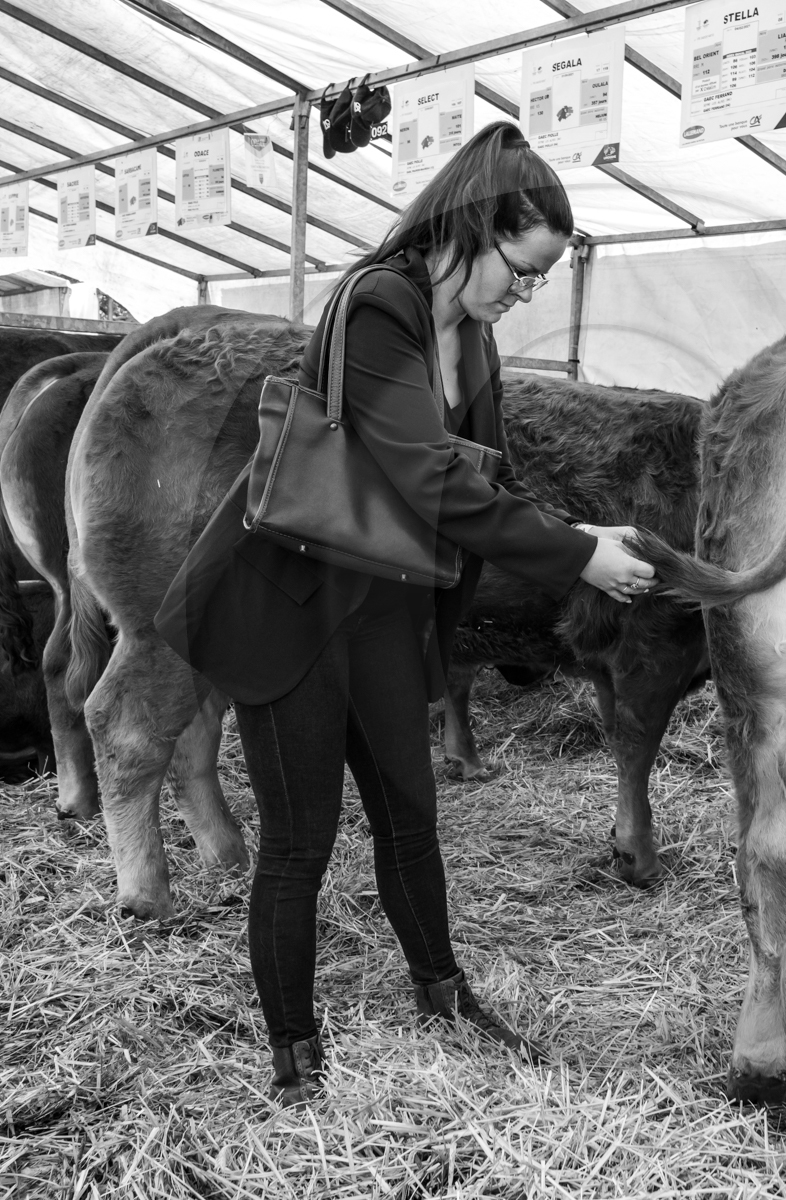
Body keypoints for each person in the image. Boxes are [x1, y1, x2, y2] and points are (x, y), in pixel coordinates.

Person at [154, 120, 657, 1107]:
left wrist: (574, 527)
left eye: (545, 278)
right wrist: (578, 558)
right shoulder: (380, 303)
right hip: (297, 604)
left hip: (385, 611)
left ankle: (443, 993)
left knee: (412, 823)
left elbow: (489, 478)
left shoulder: (471, 342)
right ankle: (295, 1052)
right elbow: (428, 480)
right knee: (301, 842)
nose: (528, 291)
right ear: (476, 226)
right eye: (526, 266)